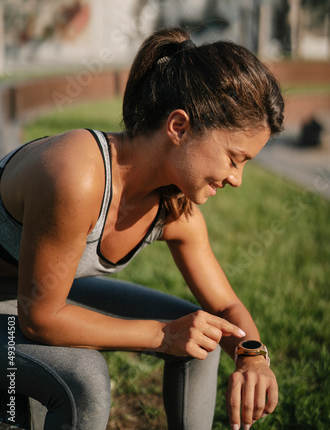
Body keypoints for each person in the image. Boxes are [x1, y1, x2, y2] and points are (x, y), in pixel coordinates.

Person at [0, 26, 284, 430]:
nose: (237, 178)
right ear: (179, 127)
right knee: (86, 378)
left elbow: (225, 307)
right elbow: (39, 318)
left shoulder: (174, 210)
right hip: (28, 305)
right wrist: (163, 334)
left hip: (31, 294)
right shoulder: (77, 173)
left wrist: (253, 356)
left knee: (202, 333)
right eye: (234, 159)